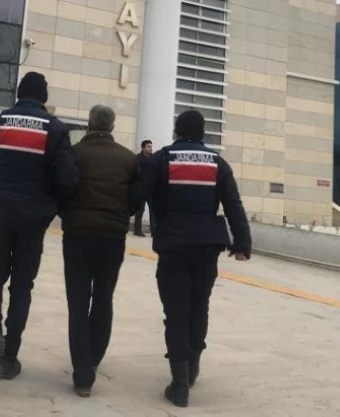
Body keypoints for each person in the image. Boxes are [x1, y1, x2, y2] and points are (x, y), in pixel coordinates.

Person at [142, 110, 251, 407]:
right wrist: (242, 243)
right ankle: (192, 367)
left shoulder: (162, 159)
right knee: (199, 306)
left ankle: (179, 385)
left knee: (176, 312)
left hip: (173, 245)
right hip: (206, 246)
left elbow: (139, 194)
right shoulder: (217, 163)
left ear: (177, 131)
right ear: (202, 134)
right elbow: (233, 204)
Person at [0, 72, 79, 383]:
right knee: (22, 286)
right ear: (43, 96)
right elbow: (67, 178)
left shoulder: (0, 121)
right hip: (32, 217)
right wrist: (51, 206)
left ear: (19, 93)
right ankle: (9, 357)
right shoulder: (55, 128)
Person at [59, 105, 143, 398]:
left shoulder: (74, 153)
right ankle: (93, 357)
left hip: (78, 234)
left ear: (88, 124)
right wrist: (121, 215)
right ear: (113, 126)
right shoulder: (128, 158)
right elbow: (137, 198)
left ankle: (83, 374)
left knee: (78, 303)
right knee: (104, 298)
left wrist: (68, 214)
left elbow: (62, 187)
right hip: (112, 236)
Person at [134, 140, 155, 237]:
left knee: (153, 210)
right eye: (148, 146)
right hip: (141, 187)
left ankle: (154, 231)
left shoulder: (154, 158)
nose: (150, 148)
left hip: (151, 188)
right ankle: (137, 229)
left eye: (151, 146)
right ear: (143, 148)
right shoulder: (138, 158)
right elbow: (136, 173)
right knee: (140, 209)